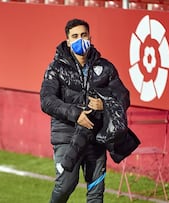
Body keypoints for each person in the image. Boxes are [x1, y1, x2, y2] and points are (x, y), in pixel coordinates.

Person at [40, 19, 130, 203]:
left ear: (90, 37)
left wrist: (105, 105)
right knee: (66, 185)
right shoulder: (55, 68)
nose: (80, 40)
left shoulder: (105, 67)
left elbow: (123, 97)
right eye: (75, 36)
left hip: (96, 136)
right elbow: (46, 101)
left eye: (83, 35)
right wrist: (75, 114)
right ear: (67, 41)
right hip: (66, 136)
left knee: (96, 191)